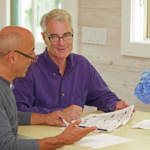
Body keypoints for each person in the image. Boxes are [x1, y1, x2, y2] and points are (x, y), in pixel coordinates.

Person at [13, 9, 129, 121]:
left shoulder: (81, 64)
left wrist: (115, 104)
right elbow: (17, 112)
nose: (61, 43)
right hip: (41, 138)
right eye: (54, 37)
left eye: (66, 35)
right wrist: (59, 113)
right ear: (44, 38)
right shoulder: (28, 68)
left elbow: (101, 95)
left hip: (74, 135)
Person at [0, 26, 97, 150]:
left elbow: (9, 116)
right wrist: (61, 140)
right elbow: (6, 146)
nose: (34, 59)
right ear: (12, 57)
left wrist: (46, 118)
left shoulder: (4, 85)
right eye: (30, 54)